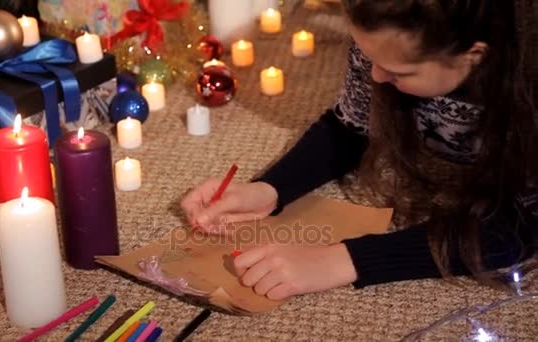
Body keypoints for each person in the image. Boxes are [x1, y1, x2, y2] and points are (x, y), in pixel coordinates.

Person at [181, 0, 538, 300]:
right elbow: (349, 126)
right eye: (367, 56)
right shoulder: (380, 36)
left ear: (474, 55)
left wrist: (345, 260)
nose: (376, 76)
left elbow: (522, 227)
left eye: (399, 71)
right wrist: (269, 189)